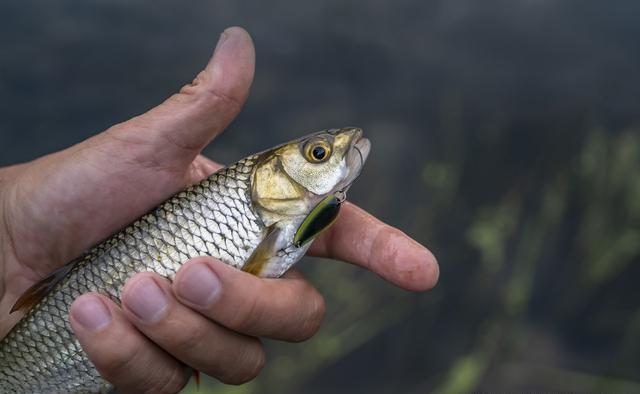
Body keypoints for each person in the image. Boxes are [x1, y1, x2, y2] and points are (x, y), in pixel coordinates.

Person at [0, 27, 438, 393]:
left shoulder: (283, 216)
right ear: (271, 181)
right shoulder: (270, 219)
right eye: (320, 153)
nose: (336, 149)